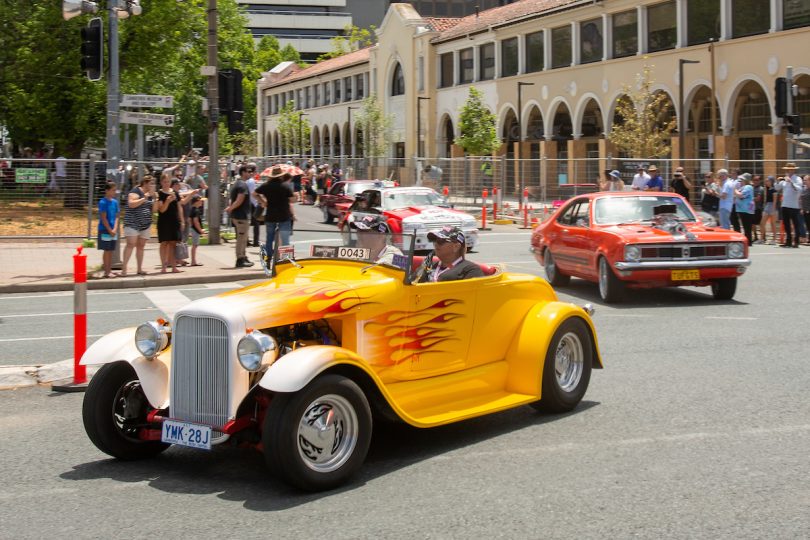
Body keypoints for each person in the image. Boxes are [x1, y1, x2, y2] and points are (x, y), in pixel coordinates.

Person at [254, 164, 296, 261]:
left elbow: (254, 194)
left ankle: (268, 257)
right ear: (281, 175)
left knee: (269, 238)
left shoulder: (266, 185)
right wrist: (293, 197)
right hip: (284, 215)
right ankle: (286, 259)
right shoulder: (285, 186)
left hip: (270, 215)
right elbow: (292, 200)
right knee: (285, 239)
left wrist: (263, 202)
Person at [419, 226, 484, 283]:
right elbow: (412, 284)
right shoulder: (429, 265)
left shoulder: (470, 269)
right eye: (435, 240)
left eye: (441, 241)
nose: (436, 244)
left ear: (456, 247)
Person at [121, 175, 155, 276]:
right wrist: (144, 198)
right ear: (145, 183)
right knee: (131, 244)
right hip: (132, 222)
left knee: (141, 246)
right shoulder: (136, 191)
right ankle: (124, 269)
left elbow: (154, 209)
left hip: (145, 224)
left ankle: (139, 269)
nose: (153, 185)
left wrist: (155, 198)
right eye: (151, 183)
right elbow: (131, 204)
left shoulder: (151, 195)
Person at [224, 164, 254, 267]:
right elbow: (239, 199)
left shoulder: (238, 184)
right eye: (248, 171)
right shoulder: (242, 185)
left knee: (243, 237)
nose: (250, 173)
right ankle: (240, 259)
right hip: (240, 216)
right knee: (241, 238)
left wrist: (231, 208)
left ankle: (243, 257)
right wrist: (230, 208)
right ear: (243, 172)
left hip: (240, 215)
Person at [157, 175, 184, 273]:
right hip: (164, 221)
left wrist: (182, 221)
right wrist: (168, 201)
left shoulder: (175, 193)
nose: (166, 183)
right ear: (161, 182)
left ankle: (174, 266)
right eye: (164, 181)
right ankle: (163, 266)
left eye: (168, 181)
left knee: (173, 243)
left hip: (174, 220)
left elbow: (179, 207)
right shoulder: (159, 194)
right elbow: (162, 210)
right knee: (164, 243)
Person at [776, 163, 803, 248]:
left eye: (791, 169)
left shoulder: (797, 179)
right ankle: (788, 241)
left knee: (796, 224)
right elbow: (777, 188)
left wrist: (791, 182)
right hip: (785, 204)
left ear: (794, 170)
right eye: (788, 169)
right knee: (786, 224)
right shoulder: (785, 180)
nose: (789, 171)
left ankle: (796, 241)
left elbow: (799, 189)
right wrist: (778, 181)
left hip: (794, 205)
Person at [97, 182, 120, 278]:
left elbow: (117, 216)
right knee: (107, 250)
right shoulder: (103, 202)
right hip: (105, 229)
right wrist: (110, 230)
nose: (114, 192)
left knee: (111, 250)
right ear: (107, 190)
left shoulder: (115, 202)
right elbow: (103, 217)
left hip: (113, 230)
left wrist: (114, 228)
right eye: (113, 190)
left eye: (115, 190)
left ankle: (109, 270)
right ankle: (106, 271)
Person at [734, 173, 755, 245]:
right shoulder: (742, 187)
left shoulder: (748, 187)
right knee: (745, 226)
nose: (740, 181)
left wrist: (735, 190)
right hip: (742, 210)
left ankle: (748, 242)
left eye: (742, 180)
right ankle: (747, 241)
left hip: (746, 210)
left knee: (747, 227)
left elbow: (741, 195)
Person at [760, 176, 779, 244]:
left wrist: (773, 210)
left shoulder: (774, 190)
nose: (766, 182)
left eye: (767, 181)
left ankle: (774, 239)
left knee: (773, 224)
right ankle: (761, 239)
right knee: (762, 223)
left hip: (772, 206)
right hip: (767, 206)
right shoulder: (767, 189)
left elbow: (775, 200)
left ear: (771, 181)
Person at [188, 195, 205, 266]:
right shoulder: (196, 210)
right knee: (195, 245)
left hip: (193, 229)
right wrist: (200, 230)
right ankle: (193, 261)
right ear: (197, 201)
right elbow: (196, 221)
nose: (202, 202)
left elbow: (189, 220)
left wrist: (191, 227)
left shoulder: (192, 209)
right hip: (195, 230)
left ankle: (193, 261)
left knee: (195, 245)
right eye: (200, 200)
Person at [801, 175, 810, 246]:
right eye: (804, 180)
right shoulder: (804, 189)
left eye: (805, 180)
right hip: (805, 210)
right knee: (808, 225)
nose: (804, 181)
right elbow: (801, 199)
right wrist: (802, 208)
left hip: (809, 210)